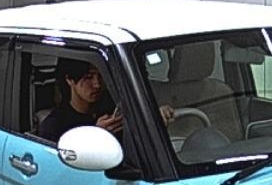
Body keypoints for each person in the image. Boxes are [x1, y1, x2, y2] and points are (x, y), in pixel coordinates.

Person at [38, 58, 175, 142]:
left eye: (101, 76)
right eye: (88, 77)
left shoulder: (115, 107)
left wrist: (154, 117)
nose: (97, 84)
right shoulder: (55, 125)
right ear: (69, 79)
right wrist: (97, 136)